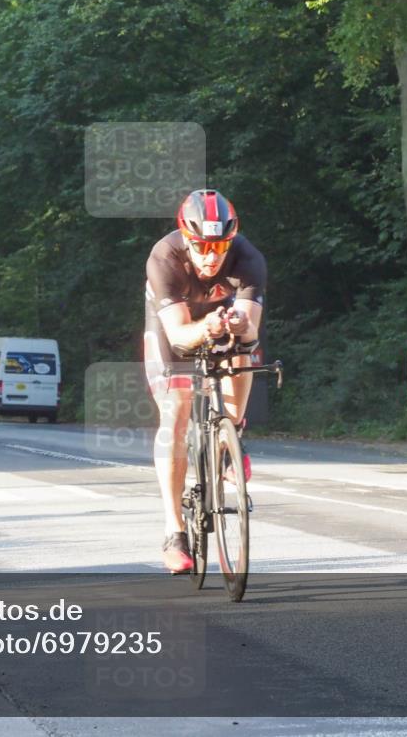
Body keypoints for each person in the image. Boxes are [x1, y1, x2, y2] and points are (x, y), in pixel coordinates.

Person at [143, 189, 266, 572]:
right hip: (174, 326)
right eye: (201, 247)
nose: (211, 257)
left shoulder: (248, 259)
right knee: (176, 409)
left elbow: (249, 329)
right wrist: (206, 327)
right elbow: (179, 337)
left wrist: (237, 324)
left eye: (220, 247)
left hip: (220, 317)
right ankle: (174, 531)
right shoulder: (164, 257)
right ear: (186, 238)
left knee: (242, 352)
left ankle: (231, 436)